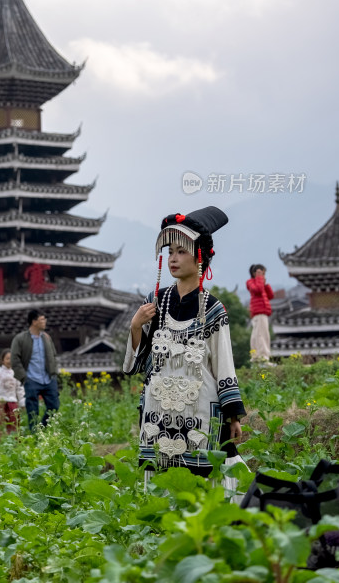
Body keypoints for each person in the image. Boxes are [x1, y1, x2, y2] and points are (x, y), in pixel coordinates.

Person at [124, 206, 246, 483]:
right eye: (170, 252)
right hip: (158, 411)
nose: (173, 259)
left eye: (181, 251)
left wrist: (233, 415)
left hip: (199, 409)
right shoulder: (156, 301)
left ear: (199, 256)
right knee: (160, 482)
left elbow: (224, 365)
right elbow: (140, 364)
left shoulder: (213, 308)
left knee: (204, 481)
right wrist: (135, 325)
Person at [11, 309, 59, 431]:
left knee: (54, 407)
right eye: (42, 319)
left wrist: (54, 372)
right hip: (31, 379)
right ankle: (34, 436)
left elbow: (53, 355)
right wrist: (23, 377)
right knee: (32, 411)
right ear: (34, 321)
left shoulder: (47, 338)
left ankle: (41, 429)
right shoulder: (20, 339)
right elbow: (15, 359)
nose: (45, 321)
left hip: (48, 378)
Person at [0, 349, 26, 433]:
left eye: (11, 358)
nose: (9, 361)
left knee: (14, 422)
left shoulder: (16, 373)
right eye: (7, 358)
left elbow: (19, 388)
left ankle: (14, 442)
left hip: (12, 401)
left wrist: (22, 401)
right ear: (2, 360)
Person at [247, 264, 274, 364]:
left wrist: (265, 284)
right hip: (259, 312)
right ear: (256, 273)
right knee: (261, 335)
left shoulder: (260, 284)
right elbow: (257, 290)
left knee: (259, 334)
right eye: (262, 273)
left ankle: (256, 357)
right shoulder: (251, 282)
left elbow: (270, 295)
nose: (263, 275)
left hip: (262, 313)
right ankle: (263, 357)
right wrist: (259, 278)